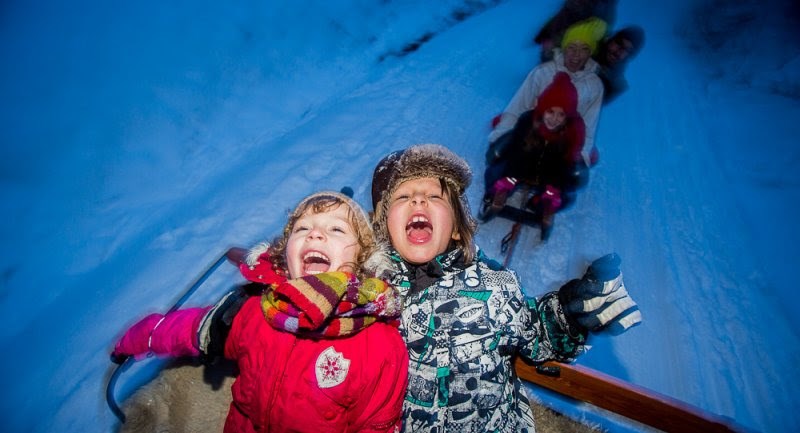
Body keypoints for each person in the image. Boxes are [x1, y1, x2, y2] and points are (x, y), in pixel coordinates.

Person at [369, 143, 641, 432]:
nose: (418, 201)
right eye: (403, 196)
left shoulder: (495, 284)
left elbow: (537, 333)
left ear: (458, 228)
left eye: (435, 196)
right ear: (385, 228)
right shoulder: (369, 296)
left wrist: (570, 313)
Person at [111, 191, 409, 433]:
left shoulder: (379, 346)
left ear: (363, 260)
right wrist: (145, 335)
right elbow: (195, 329)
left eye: (336, 229)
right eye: (303, 228)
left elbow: (377, 425)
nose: (315, 235)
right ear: (285, 255)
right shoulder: (257, 312)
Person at [483, 72, 589, 238]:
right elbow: (515, 151)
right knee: (494, 171)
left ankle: (541, 206)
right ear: (542, 109)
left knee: (566, 195)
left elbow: (565, 165)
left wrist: (553, 188)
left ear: (567, 117)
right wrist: (510, 178)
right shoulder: (528, 122)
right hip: (524, 166)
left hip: (549, 173)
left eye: (561, 115)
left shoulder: (570, 134)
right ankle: (496, 196)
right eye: (550, 112)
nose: (554, 119)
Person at [491, 17, 608, 167]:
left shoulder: (594, 85)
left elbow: (588, 126)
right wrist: (501, 135)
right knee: (498, 156)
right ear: (564, 48)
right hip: (532, 131)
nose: (576, 54)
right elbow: (518, 107)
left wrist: (581, 155)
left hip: (563, 140)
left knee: (574, 177)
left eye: (584, 49)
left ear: (590, 53)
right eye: (571, 47)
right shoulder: (543, 72)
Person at [533, 0, 619, 62]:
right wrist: (545, 34)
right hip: (558, 46)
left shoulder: (603, 14)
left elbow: (602, 37)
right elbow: (560, 17)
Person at [594, 25, 646, 104]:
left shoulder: (615, 85)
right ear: (611, 39)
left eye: (627, 50)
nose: (618, 53)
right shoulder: (591, 43)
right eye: (619, 43)